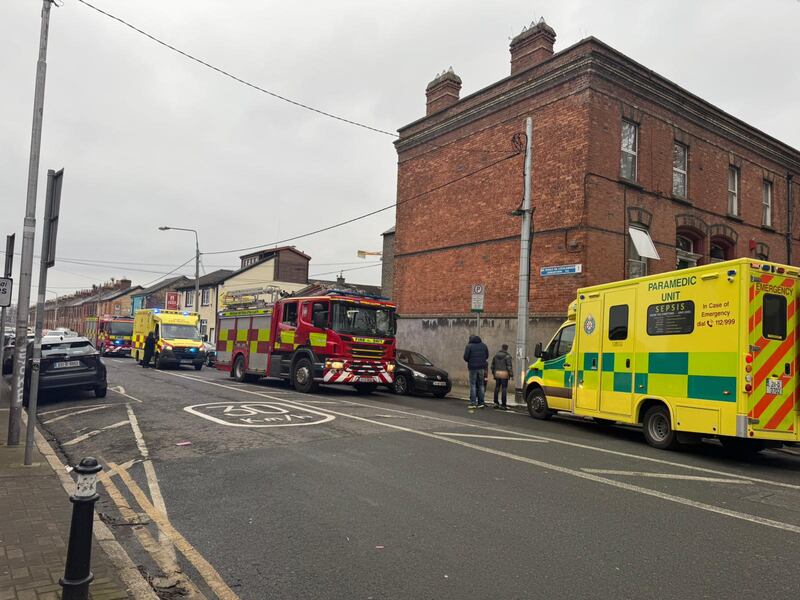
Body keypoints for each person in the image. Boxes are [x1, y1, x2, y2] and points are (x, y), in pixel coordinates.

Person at [463, 334, 489, 409]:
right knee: (481, 384)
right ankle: (481, 403)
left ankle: (473, 402)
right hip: (482, 368)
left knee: (473, 384)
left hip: (473, 368)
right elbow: (487, 356)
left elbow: (465, 357)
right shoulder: (484, 345)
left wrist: (470, 361)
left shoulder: (469, 346)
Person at [491, 344, 514, 410]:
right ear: (506, 348)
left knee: (497, 388)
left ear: (502, 348)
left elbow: (492, 366)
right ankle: (503, 405)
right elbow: (509, 367)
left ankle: (495, 403)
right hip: (504, 374)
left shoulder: (495, 356)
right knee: (504, 388)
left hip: (497, 373)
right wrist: (511, 375)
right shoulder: (507, 356)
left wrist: (494, 373)